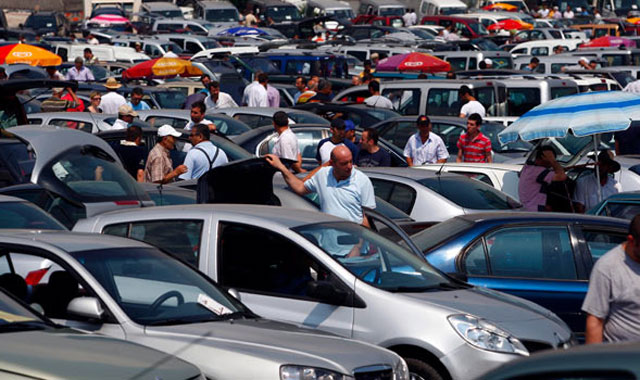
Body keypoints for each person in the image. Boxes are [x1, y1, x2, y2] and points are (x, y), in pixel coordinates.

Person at [266, 145, 376, 226]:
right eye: (344, 163)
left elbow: (367, 218)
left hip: (353, 243)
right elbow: (300, 187)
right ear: (332, 163)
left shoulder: (363, 181)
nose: (349, 166)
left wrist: (359, 246)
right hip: (327, 244)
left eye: (350, 161)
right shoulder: (323, 174)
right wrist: (281, 167)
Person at [583, 214, 640, 344]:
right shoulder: (607, 267)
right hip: (625, 359)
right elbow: (595, 320)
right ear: (631, 240)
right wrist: (596, 361)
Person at [518, 146, 567, 212]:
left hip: (527, 208)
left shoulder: (527, 168)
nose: (550, 165)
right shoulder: (538, 171)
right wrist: (553, 160)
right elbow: (562, 176)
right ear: (543, 158)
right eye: (549, 161)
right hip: (535, 211)